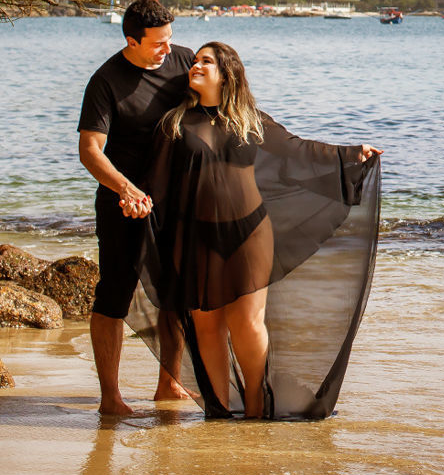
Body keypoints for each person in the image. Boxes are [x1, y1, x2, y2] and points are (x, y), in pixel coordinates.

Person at [135, 41, 382, 420]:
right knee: (208, 326)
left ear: (227, 73)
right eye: (195, 61)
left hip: (250, 233)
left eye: (207, 61)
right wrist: (135, 200)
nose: (196, 66)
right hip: (197, 237)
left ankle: (255, 408)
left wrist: (351, 155)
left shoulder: (252, 120)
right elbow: (157, 182)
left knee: (248, 323)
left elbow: (298, 151)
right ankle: (217, 413)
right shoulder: (174, 124)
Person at [77, 0, 194, 414]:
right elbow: (90, 150)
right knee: (114, 295)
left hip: (174, 200)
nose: (169, 50)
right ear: (132, 40)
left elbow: (226, 107)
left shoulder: (184, 61)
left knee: (176, 294)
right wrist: (125, 190)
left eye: (170, 39)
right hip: (122, 202)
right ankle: (111, 396)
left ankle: (170, 383)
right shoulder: (106, 80)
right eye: (158, 43)